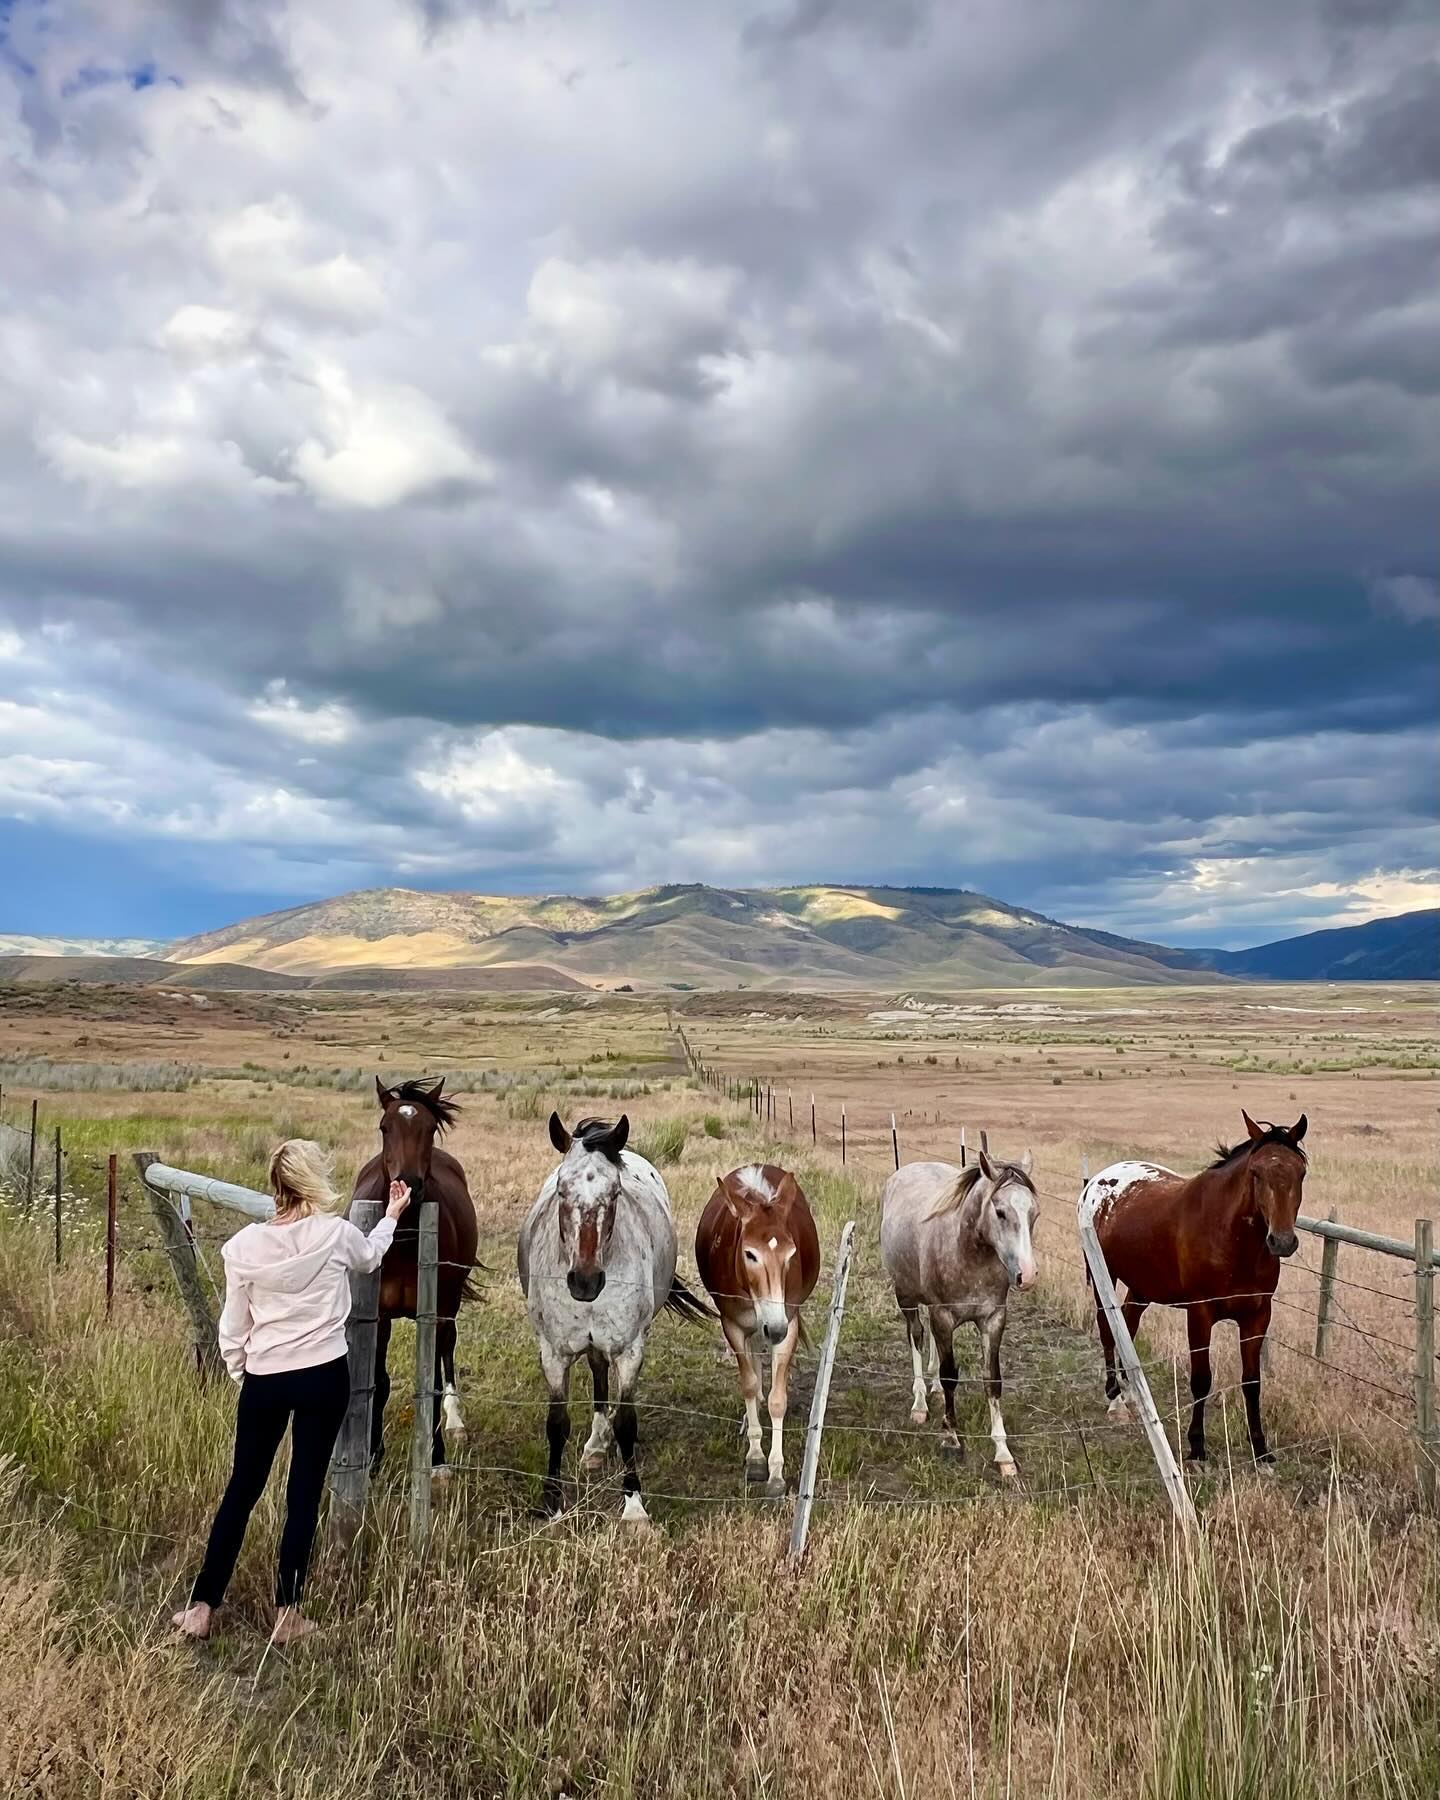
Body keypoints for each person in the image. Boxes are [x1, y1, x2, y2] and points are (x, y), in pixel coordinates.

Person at [172, 1139, 409, 1645]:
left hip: (265, 1379)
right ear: (312, 1181)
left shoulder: (242, 1249)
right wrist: (390, 1214)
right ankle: (287, 1615)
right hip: (324, 1375)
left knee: (242, 1490)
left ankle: (201, 1608)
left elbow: (232, 1329)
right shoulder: (336, 1234)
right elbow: (370, 1258)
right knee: (303, 1494)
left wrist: (246, 1376)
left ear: (275, 1185)